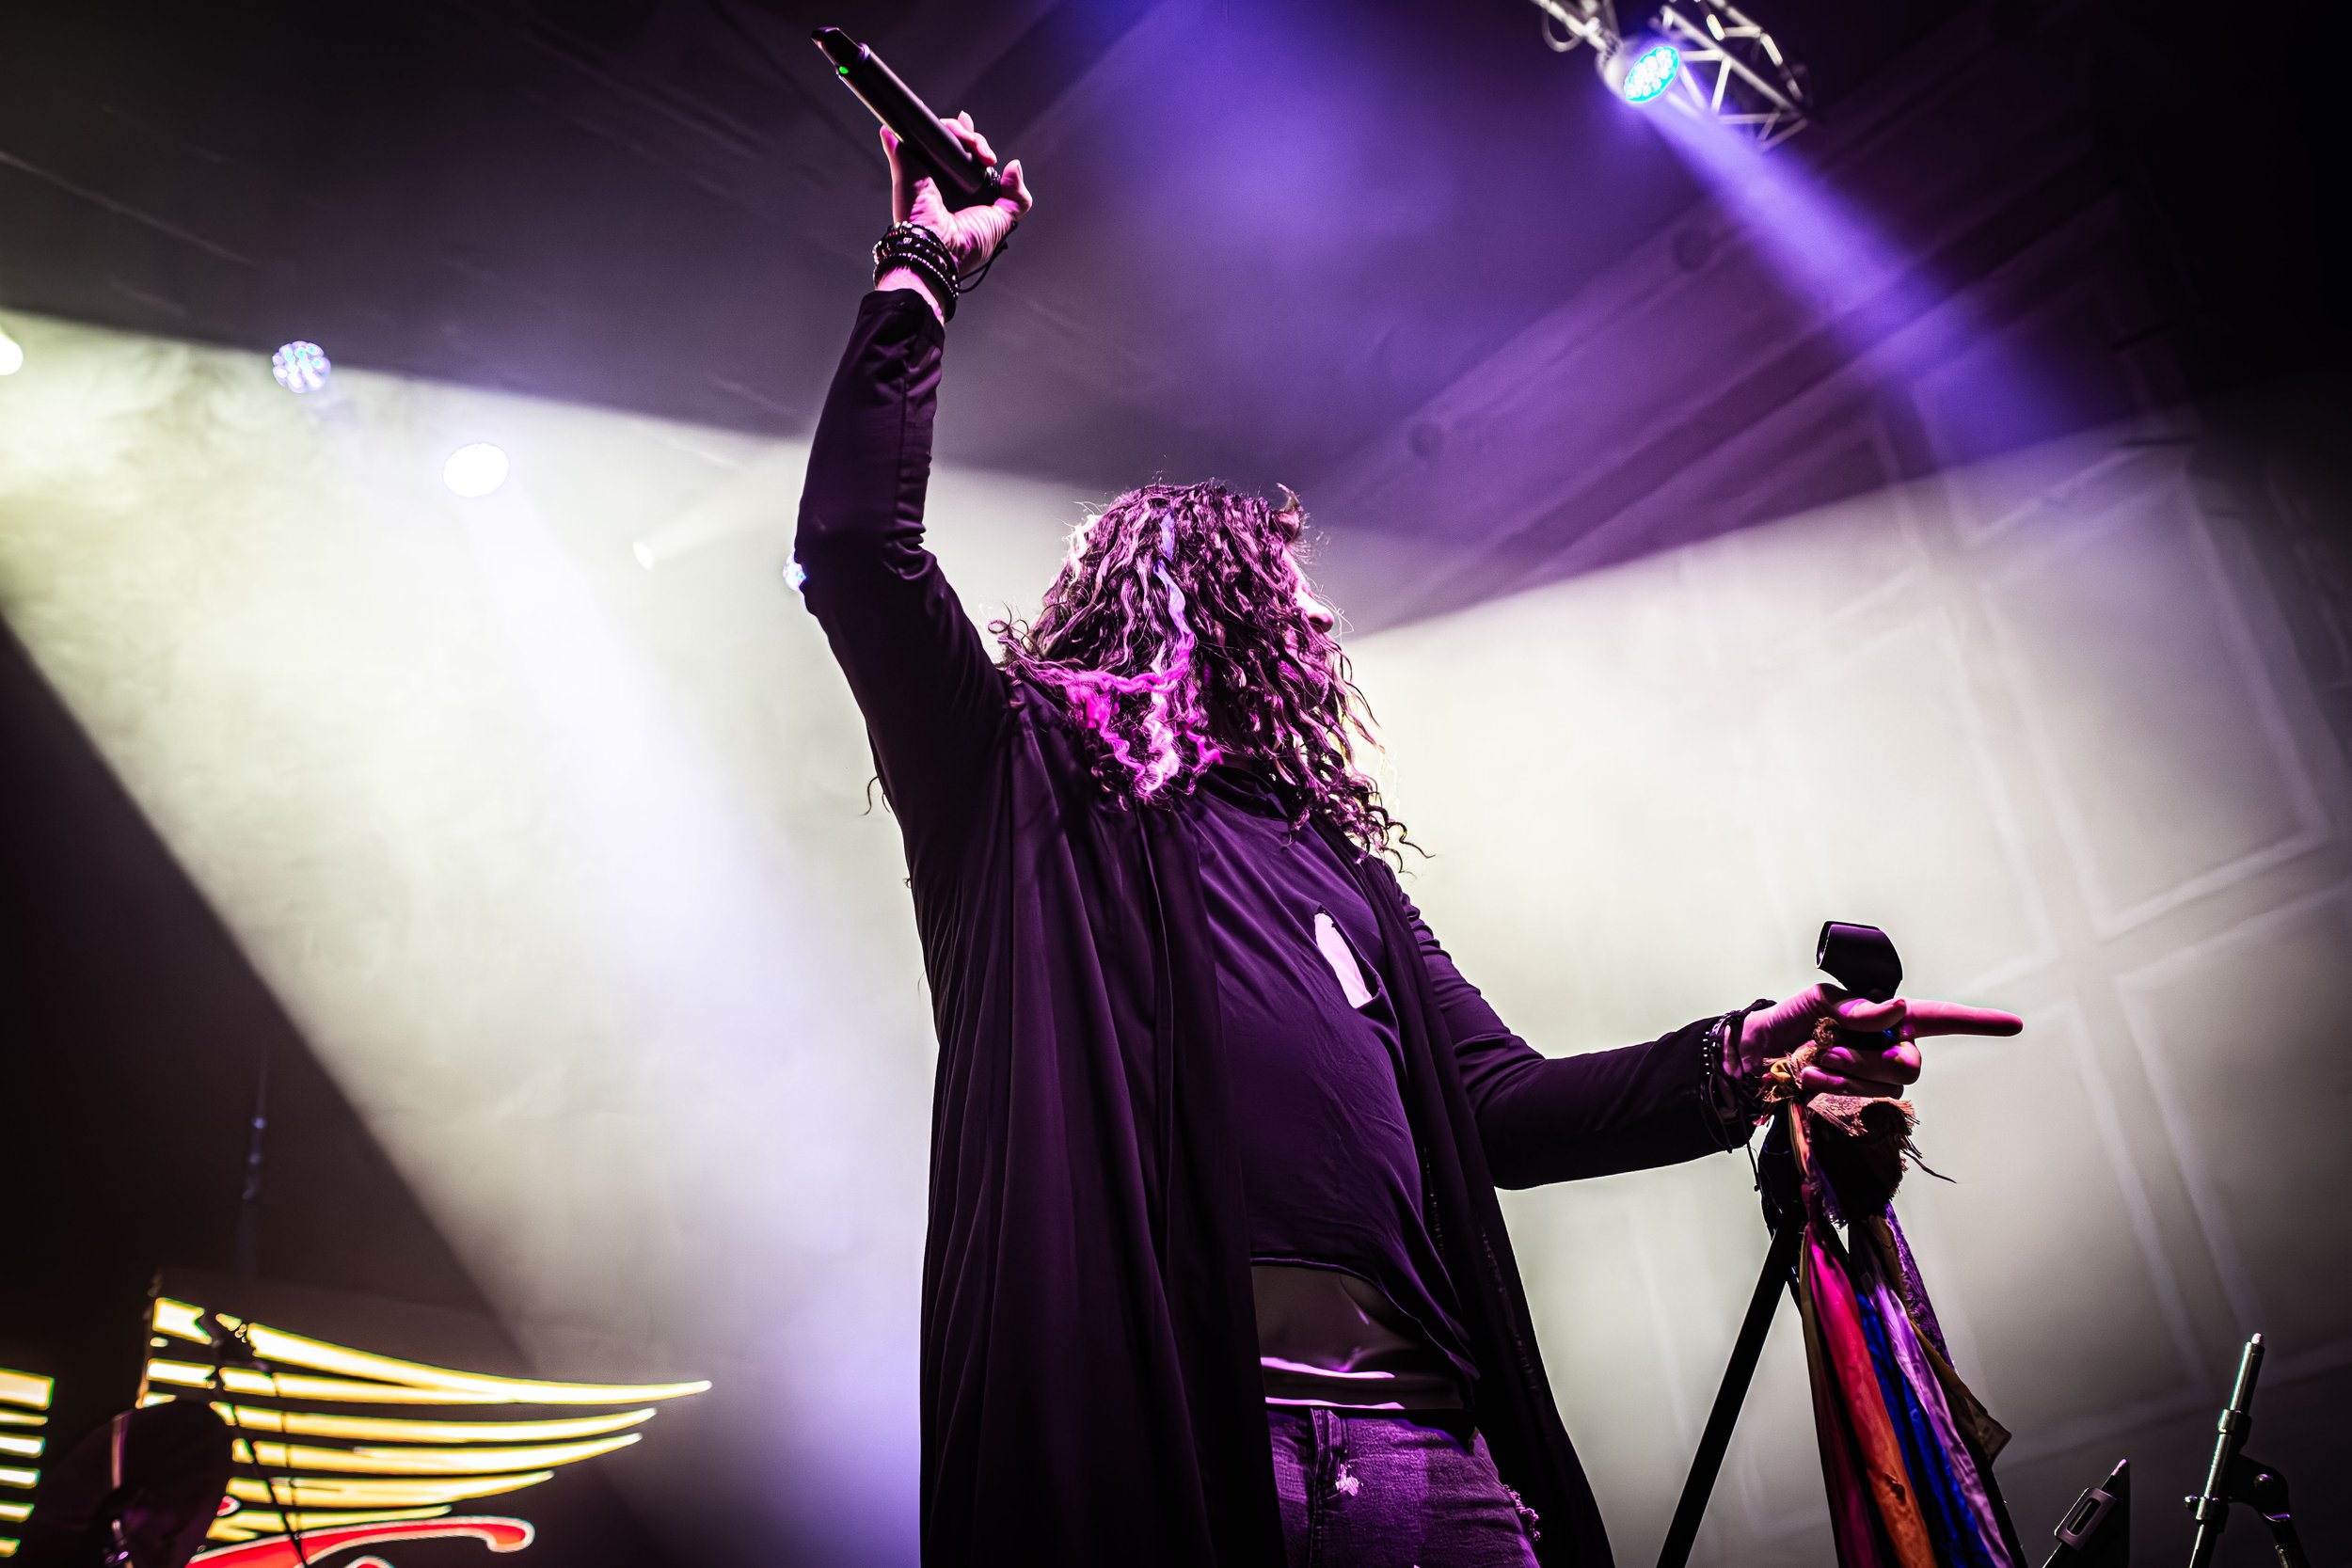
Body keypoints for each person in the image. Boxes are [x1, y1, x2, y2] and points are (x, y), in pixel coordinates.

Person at [791, 116, 2023, 1568]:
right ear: (1195, 607)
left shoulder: (1341, 870)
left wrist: (1743, 1057)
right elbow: (857, 553)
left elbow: (1500, 1105)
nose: (1319, 624)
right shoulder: (1020, 776)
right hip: (1172, 1452)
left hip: (1424, 1461)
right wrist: (925, 262)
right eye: (1281, 593)